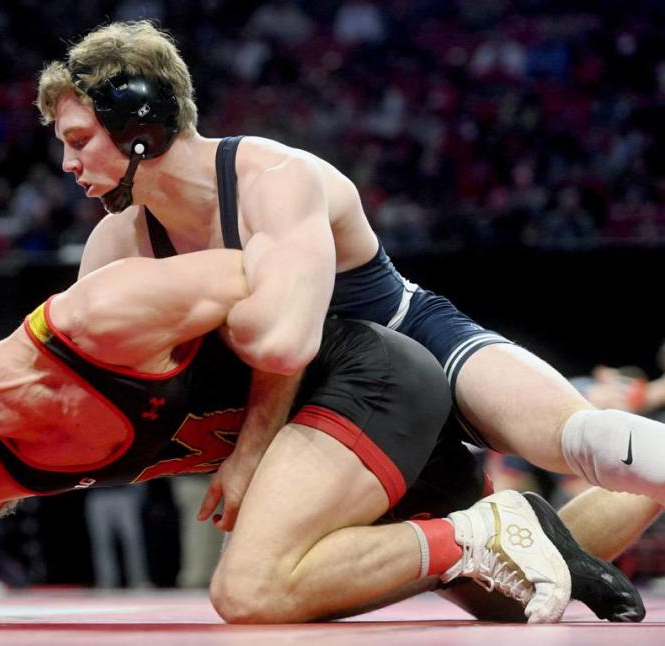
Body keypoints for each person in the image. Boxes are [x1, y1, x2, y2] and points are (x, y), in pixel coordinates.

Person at [34, 20, 665, 605]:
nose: (68, 164)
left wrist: (249, 451)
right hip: (342, 409)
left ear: (140, 123)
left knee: (584, 441)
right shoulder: (117, 243)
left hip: (411, 341)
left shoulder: (274, 177)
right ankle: (505, 529)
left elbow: (289, 341)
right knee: (506, 595)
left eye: (80, 140)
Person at [0, 250, 627, 625]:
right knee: (519, 591)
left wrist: (252, 443)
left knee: (249, 592)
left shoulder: (93, 318)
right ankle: (647, 469)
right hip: (330, 449)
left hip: (362, 377)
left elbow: (276, 279)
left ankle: (478, 530)